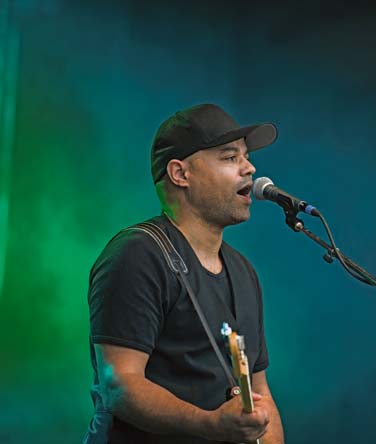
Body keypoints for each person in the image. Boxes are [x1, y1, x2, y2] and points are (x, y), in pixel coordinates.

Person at [84, 104, 284, 444]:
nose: (249, 168)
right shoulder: (138, 254)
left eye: (246, 157)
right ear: (180, 174)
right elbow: (118, 384)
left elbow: (261, 392)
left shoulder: (244, 272)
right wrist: (210, 424)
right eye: (229, 157)